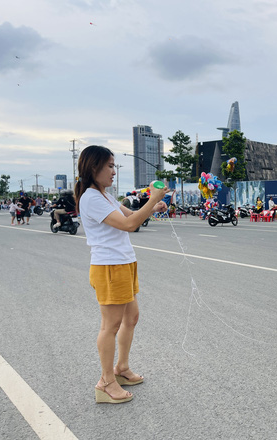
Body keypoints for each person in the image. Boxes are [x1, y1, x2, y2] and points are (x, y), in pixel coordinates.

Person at [75, 145, 168, 404]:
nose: (114, 172)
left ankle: (122, 368)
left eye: (114, 166)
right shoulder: (91, 197)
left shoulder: (105, 195)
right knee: (110, 326)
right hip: (109, 267)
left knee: (132, 318)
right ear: (93, 168)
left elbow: (130, 215)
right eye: (110, 166)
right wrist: (151, 199)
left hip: (124, 263)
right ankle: (105, 382)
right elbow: (129, 225)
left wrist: (154, 206)